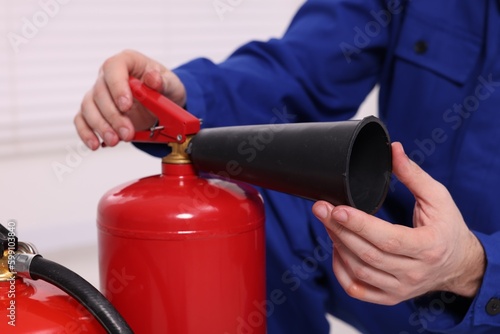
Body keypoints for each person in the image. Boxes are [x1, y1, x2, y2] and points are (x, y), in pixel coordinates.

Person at [74, 0, 500, 333]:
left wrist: (472, 266)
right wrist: (181, 100)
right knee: (264, 189)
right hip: (391, 256)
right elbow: (302, 69)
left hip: (484, 294)